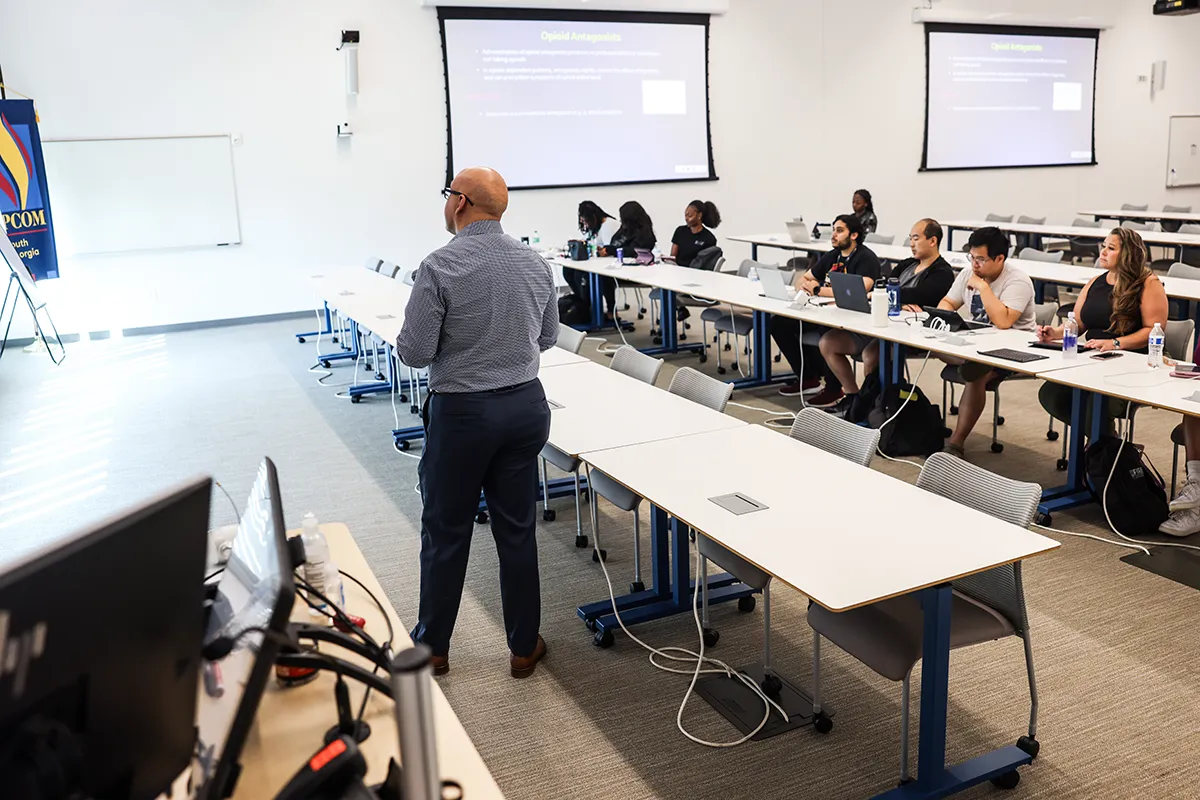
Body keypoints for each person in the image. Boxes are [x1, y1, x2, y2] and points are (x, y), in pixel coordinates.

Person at [396, 167, 557, 679]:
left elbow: (415, 353)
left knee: (446, 532)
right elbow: (547, 338)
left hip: (464, 417)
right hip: (525, 409)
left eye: (448, 195)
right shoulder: (535, 262)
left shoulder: (439, 265)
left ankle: (433, 648)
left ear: (460, 202)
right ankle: (523, 647)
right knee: (518, 531)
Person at [817, 218, 955, 421]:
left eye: (916, 238)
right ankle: (854, 398)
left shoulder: (942, 272)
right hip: (879, 324)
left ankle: (877, 408)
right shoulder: (908, 264)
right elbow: (883, 286)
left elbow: (921, 295)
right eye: (910, 238)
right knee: (828, 343)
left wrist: (896, 298)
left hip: (909, 335)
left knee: (871, 356)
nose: (911, 244)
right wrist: (898, 300)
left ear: (932, 241)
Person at [1037, 227, 1168, 437]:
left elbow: (1153, 331)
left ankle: (1100, 448)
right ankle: (1105, 442)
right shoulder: (1096, 282)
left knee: (1096, 406)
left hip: (1131, 362)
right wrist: (1055, 333)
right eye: (1104, 246)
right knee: (1052, 395)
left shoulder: (1148, 283)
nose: (1103, 252)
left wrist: (1115, 343)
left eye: (1111, 248)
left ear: (1127, 254)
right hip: (1095, 359)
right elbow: (1078, 321)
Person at [934, 227, 1037, 457]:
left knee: (975, 373)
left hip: (1012, 351)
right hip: (977, 344)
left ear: (1000, 258)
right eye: (971, 257)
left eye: (980, 259)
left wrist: (982, 286)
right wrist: (945, 317)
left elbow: (1003, 321)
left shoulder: (1017, 281)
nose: (974, 264)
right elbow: (947, 302)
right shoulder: (968, 273)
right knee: (927, 346)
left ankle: (955, 444)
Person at [770, 214, 881, 405]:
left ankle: (834, 388)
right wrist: (806, 286)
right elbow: (804, 278)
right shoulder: (832, 255)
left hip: (851, 317)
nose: (834, 235)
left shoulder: (866, 258)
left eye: (840, 231)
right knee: (779, 324)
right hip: (824, 309)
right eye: (834, 230)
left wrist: (818, 290)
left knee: (826, 328)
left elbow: (861, 289)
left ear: (854, 235)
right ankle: (808, 377)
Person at [596, 201, 656, 321]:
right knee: (579, 273)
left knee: (602, 277)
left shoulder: (644, 234)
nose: (621, 220)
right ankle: (588, 309)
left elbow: (632, 251)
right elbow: (615, 243)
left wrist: (611, 250)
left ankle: (611, 311)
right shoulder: (625, 229)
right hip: (619, 266)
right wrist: (605, 250)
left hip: (635, 271)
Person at [562, 201, 619, 311]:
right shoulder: (594, 227)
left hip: (609, 266)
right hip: (595, 264)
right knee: (568, 271)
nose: (584, 223)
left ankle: (593, 308)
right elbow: (587, 241)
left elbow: (610, 250)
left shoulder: (608, 225)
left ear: (593, 216)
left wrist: (599, 250)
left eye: (585, 220)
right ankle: (582, 304)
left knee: (580, 275)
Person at [670, 200, 720, 267]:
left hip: (695, 271)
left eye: (690, 216)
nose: (686, 219)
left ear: (699, 215)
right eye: (685, 215)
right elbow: (673, 256)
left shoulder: (709, 238)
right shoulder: (680, 231)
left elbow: (706, 263)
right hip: (677, 268)